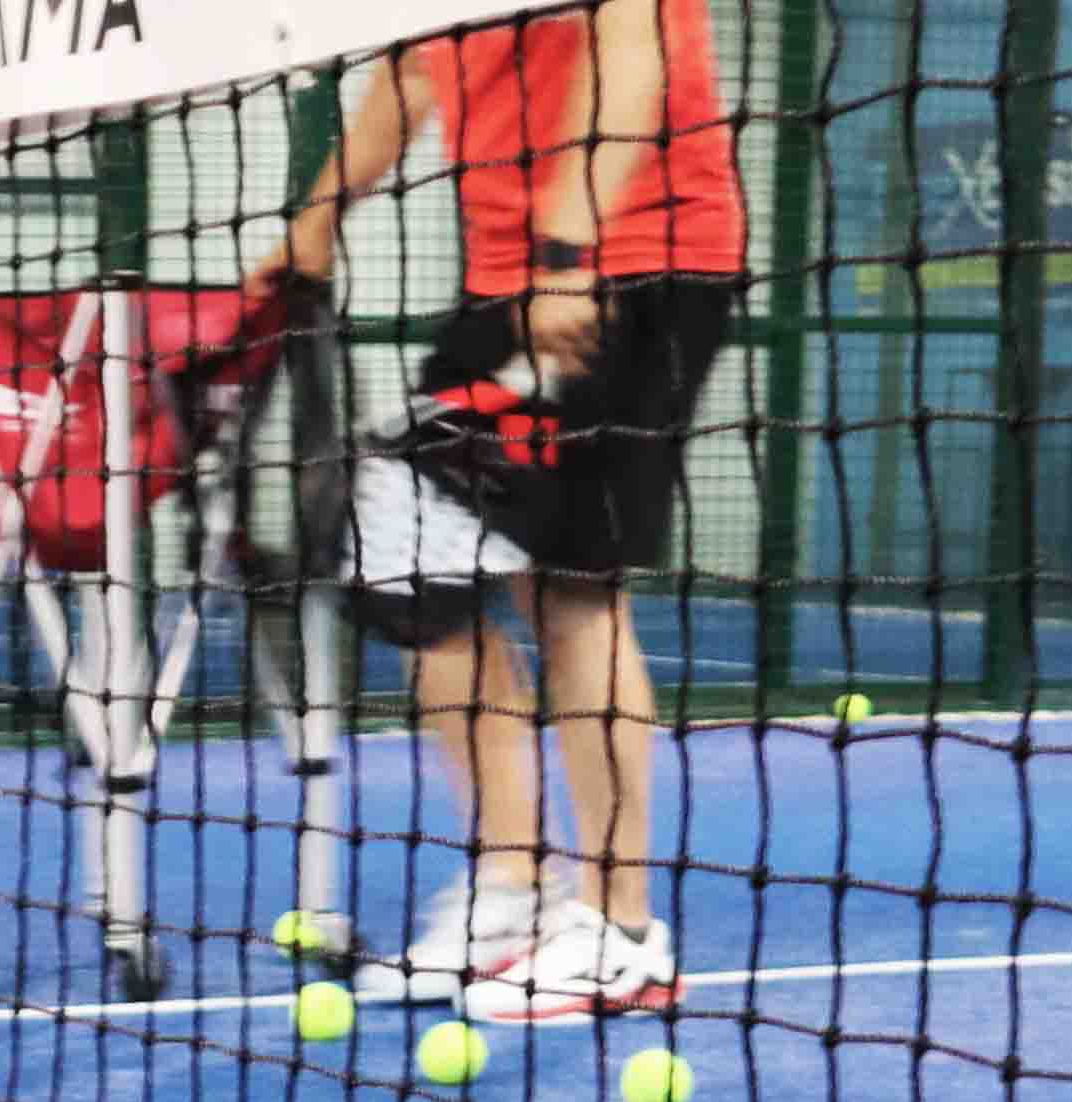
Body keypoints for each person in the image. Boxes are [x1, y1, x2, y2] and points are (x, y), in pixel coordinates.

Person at [252, 0, 747, 1019]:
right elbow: (412, 68)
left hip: (631, 263)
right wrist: (316, 219)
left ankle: (621, 933)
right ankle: (513, 890)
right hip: (506, 281)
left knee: (570, 586)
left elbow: (634, 41)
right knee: (411, 554)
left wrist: (566, 250)